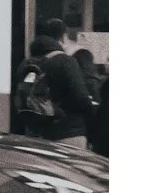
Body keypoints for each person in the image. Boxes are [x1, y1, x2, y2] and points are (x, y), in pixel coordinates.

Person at [18, 17, 94, 145]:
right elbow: (81, 100)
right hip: (67, 134)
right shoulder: (65, 62)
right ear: (63, 37)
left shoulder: (26, 64)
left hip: (35, 134)